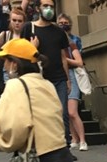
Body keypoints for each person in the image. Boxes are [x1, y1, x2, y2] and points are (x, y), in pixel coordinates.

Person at [20, 0, 71, 150]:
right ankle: (44, 147)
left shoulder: (59, 32)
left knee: (63, 114)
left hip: (59, 79)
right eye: (45, 6)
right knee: (42, 115)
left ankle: (64, 147)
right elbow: (21, 54)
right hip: (39, 79)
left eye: (51, 7)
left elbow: (63, 57)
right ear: (37, 8)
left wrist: (68, 80)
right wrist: (32, 48)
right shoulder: (29, 28)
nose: (49, 9)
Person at [58, 13, 87, 152]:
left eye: (65, 22)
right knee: (65, 112)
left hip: (72, 74)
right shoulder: (55, 40)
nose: (63, 25)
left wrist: (63, 59)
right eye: (60, 23)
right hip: (59, 75)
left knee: (72, 111)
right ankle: (74, 138)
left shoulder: (73, 41)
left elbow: (79, 62)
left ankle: (82, 140)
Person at [0, 6, 24, 80]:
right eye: (14, 20)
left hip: (22, 71)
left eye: (20, 21)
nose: (17, 23)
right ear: (10, 20)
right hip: (6, 71)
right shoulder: (4, 35)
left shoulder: (27, 36)